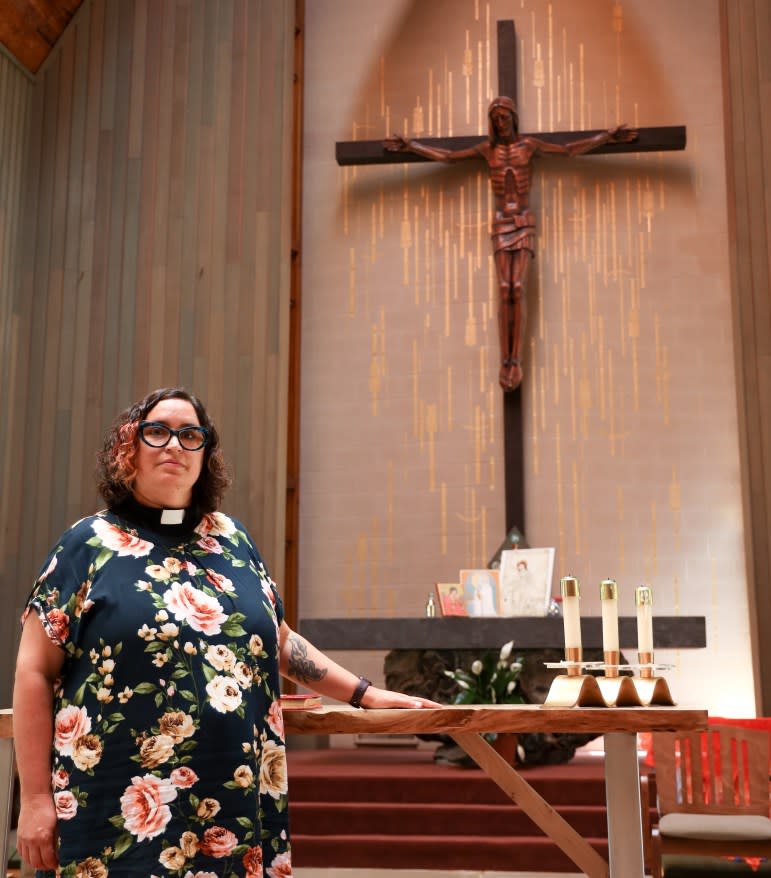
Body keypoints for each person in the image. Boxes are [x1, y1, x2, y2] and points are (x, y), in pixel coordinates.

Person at [13, 387, 440, 877]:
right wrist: (35, 799)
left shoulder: (232, 541)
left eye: (190, 435)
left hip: (230, 804)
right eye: (157, 431)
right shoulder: (87, 544)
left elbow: (274, 640)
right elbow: (32, 670)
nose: (174, 445)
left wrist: (363, 693)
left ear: (206, 455)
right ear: (128, 449)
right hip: (112, 805)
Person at [385, 96, 637, 391]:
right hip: (500, 223)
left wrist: (606, 137)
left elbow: (568, 150)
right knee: (504, 289)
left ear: (513, 118)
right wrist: (411, 146)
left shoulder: (528, 147)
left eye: (504, 118)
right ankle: (504, 359)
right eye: (495, 119)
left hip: (523, 221)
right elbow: (448, 157)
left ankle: (515, 358)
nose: (500, 123)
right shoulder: (486, 150)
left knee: (518, 288)